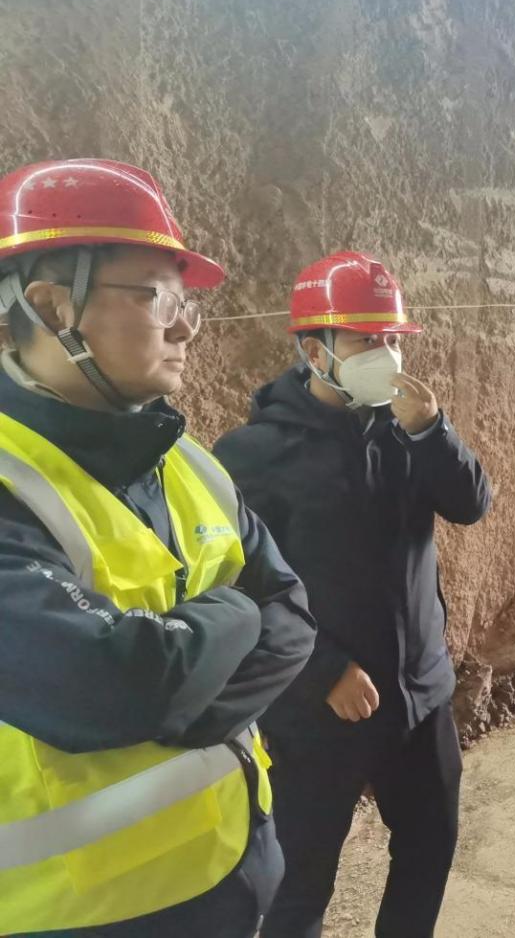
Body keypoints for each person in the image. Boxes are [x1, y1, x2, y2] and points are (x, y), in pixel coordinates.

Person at [0, 158, 316, 936]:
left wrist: (179, 693)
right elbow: (112, 685)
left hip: (234, 871)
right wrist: (236, 612)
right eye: (157, 298)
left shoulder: (189, 464)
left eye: (187, 303)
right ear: (52, 307)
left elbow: (293, 618)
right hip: (79, 912)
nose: (185, 327)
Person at [214, 250, 492, 938]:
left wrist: (433, 431)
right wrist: (322, 670)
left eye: (392, 337)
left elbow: (470, 504)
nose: (386, 353)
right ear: (315, 351)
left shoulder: (409, 430)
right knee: (299, 883)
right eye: (366, 339)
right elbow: (236, 585)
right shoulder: (254, 455)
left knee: (429, 848)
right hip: (320, 712)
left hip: (419, 693)